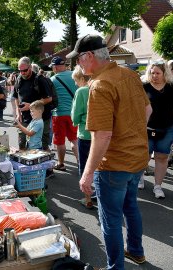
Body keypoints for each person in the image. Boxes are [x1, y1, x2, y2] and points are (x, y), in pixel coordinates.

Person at [68, 34, 152, 269]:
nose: (78, 64)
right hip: (136, 158)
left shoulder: (100, 85)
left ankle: (116, 267)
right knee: (130, 207)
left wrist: (86, 173)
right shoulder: (129, 74)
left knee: (111, 220)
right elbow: (147, 111)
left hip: (114, 164)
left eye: (79, 59)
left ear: (90, 56)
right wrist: (131, 135)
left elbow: (102, 135)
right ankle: (136, 251)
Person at [139, 61, 173, 198]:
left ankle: (158, 186)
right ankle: (140, 178)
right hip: (146, 127)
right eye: (152, 72)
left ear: (164, 73)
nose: (154, 75)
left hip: (167, 128)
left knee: (162, 157)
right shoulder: (144, 86)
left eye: (157, 73)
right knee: (144, 156)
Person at [13, 57, 53, 150]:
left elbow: (49, 98)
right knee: (22, 144)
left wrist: (30, 105)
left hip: (41, 118)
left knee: (42, 146)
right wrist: (18, 113)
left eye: (25, 70)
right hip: (25, 118)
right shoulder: (19, 79)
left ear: (30, 67)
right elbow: (15, 97)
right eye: (20, 71)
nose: (22, 73)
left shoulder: (40, 79)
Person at [50, 56, 78, 171]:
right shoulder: (74, 76)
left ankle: (61, 164)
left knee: (60, 141)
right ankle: (81, 163)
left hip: (59, 114)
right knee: (74, 139)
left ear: (55, 67)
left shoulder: (53, 80)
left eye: (52, 67)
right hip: (73, 113)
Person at [71, 65, 93, 209]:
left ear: (80, 78)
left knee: (85, 167)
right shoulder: (97, 87)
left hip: (85, 133)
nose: (75, 83)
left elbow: (75, 116)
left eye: (76, 80)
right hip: (101, 134)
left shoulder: (82, 91)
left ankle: (88, 198)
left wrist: (76, 121)